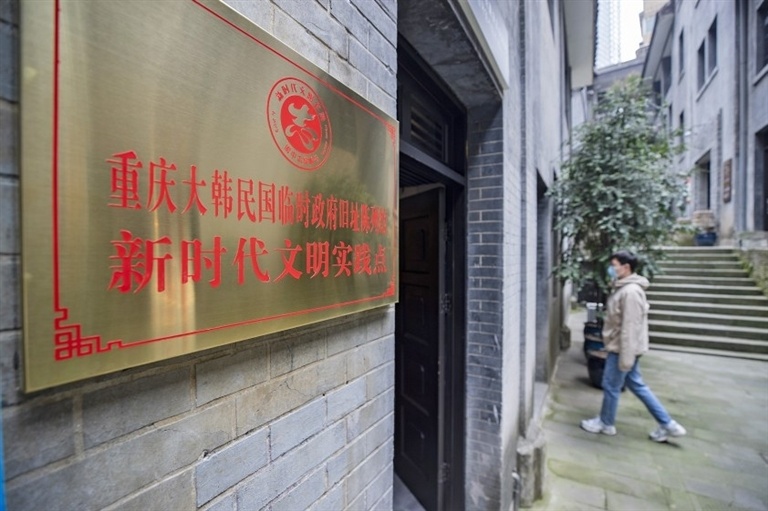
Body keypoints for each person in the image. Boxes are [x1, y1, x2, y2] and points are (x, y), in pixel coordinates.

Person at [580, 250, 687, 442]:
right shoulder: (624, 288)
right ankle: (668, 424)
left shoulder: (630, 292)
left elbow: (630, 327)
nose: (611, 269)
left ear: (626, 267)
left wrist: (626, 358)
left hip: (623, 348)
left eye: (614, 265)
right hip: (624, 347)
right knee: (637, 385)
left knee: (611, 385)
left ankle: (605, 423)